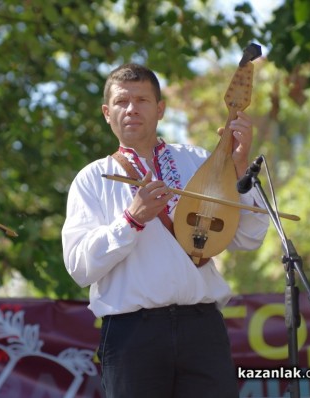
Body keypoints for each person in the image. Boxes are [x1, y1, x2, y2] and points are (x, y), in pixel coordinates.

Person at [61, 63, 269, 397]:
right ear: (106, 112)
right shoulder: (92, 179)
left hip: (202, 327)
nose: (131, 109)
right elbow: (80, 268)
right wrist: (131, 220)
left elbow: (249, 236)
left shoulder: (199, 161)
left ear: (160, 109)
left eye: (142, 100)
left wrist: (241, 167)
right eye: (121, 102)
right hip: (132, 334)